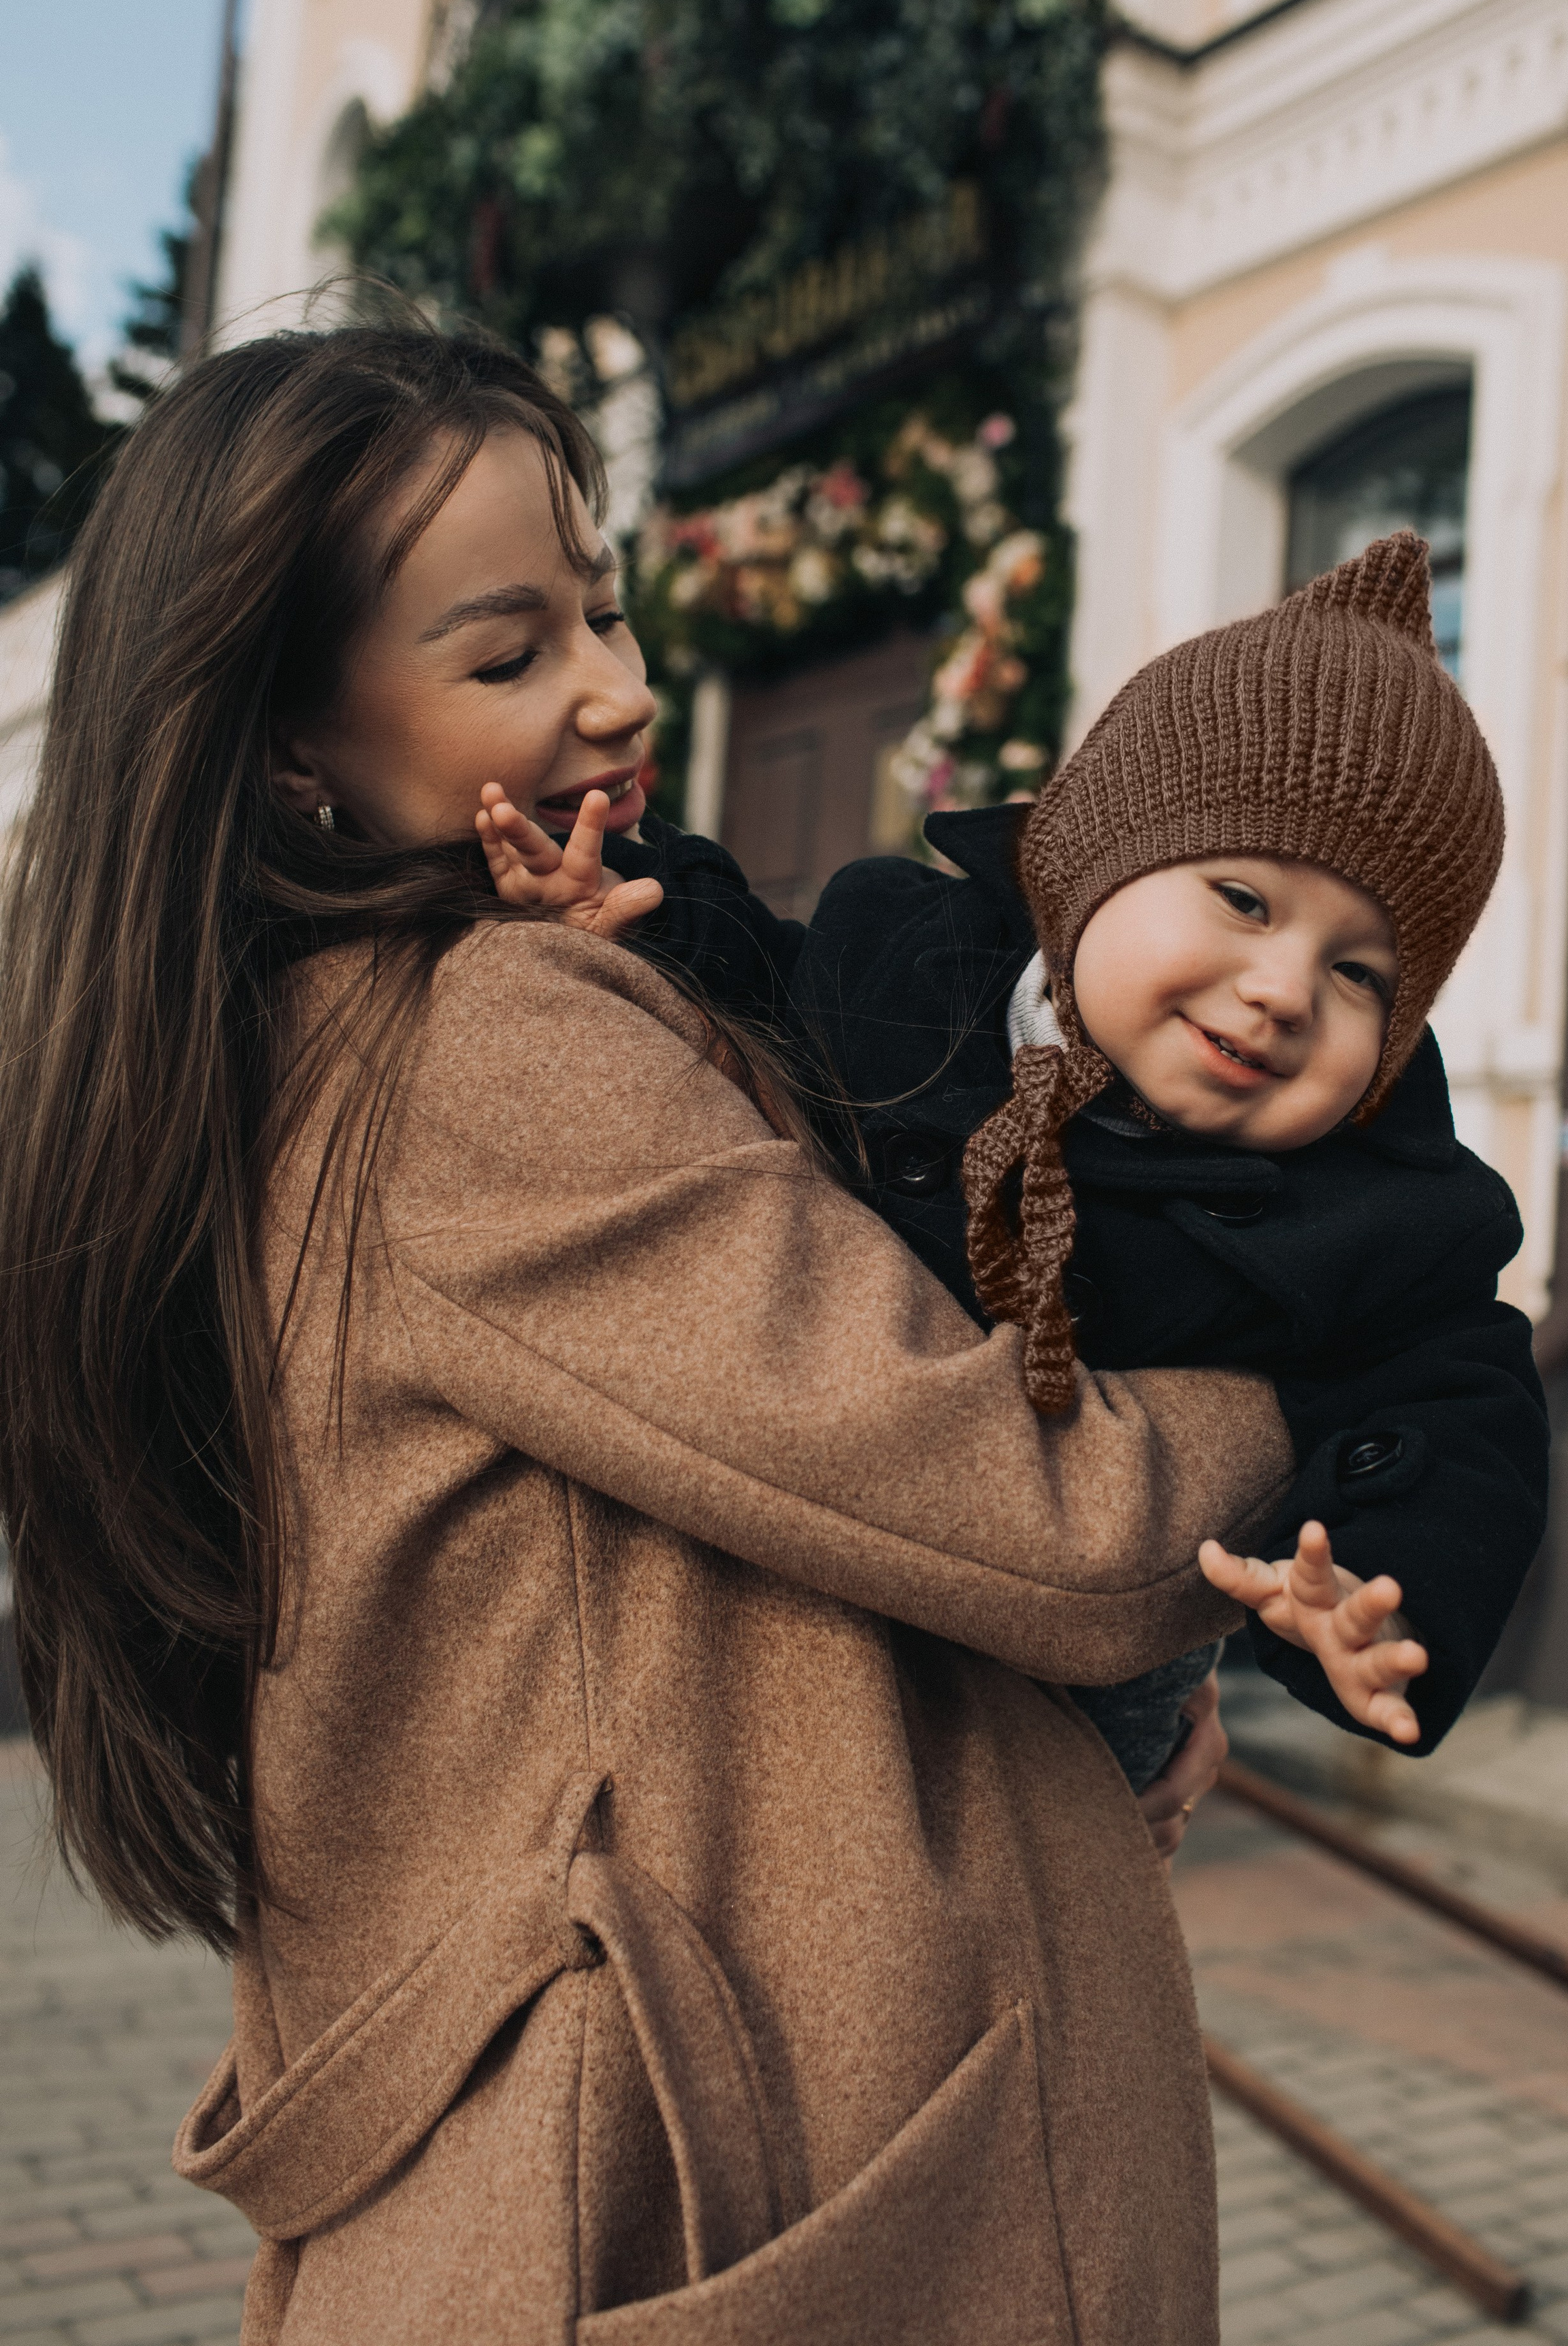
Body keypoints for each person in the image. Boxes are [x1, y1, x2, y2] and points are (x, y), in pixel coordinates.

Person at [0, 319, 1342, 2344]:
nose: (620, 688)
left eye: (605, 605)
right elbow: (1058, 1524)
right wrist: (1337, 1371)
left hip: (546, 2168)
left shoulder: (274, 1056)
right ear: (289, 744)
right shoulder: (485, 1044)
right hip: (695, 2190)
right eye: (506, 650)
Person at [480, 533, 1549, 1788]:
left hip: (1074, 1731)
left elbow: (1464, 1405)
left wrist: (1382, 1590)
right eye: (1244, 901)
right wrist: (632, 904)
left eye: (1360, 973)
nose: (1281, 992)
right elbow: (755, 977)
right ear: (1091, 861)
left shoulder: (1377, 1207)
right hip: (818, 1623)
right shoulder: (905, 965)